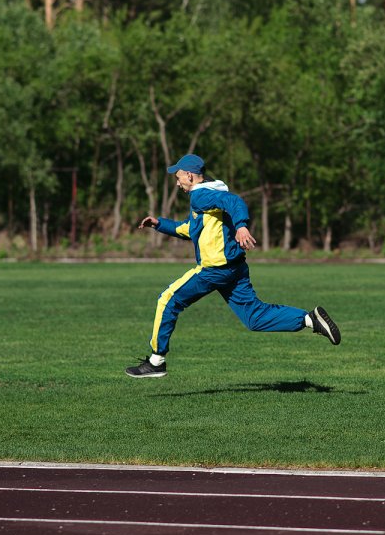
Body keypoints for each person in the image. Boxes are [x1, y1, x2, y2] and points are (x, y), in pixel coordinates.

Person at [127, 153, 340, 378]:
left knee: (167, 300)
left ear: (189, 176)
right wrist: (161, 224)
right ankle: (310, 319)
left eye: (178, 177)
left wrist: (241, 226)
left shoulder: (199, 196)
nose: (177, 182)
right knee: (254, 318)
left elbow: (235, 202)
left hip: (213, 270)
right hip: (234, 269)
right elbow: (191, 229)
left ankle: (156, 361)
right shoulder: (213, 192)